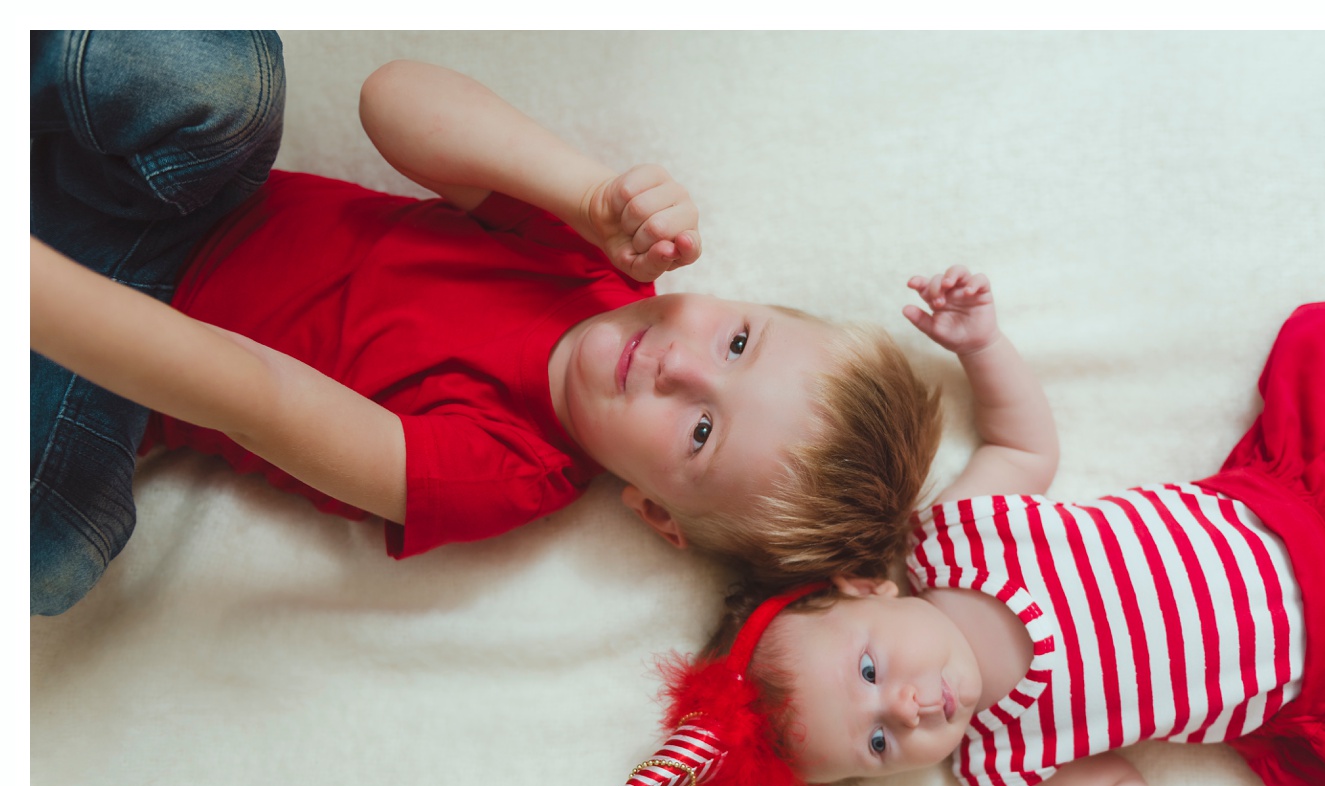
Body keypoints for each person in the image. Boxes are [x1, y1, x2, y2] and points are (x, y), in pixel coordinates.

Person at [595, 265, 1325, 786]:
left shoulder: (957, 534)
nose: (903, 708)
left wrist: (984, 348)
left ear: (865, 588)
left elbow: (1024, 448)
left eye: (869, 675)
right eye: (877, 745)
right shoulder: (1003, 759)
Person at [30, 38, 942, 615]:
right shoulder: (593, 265)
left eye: (701, 430)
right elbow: (393, 97)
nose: (677, 365)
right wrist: (584, 192)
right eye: (737, 342)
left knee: (58, 552)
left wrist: (43, 297)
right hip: (183, 198)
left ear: (658, 512)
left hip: (102, 373)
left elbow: (251, 391)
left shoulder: (505, 475)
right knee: (224, 79)